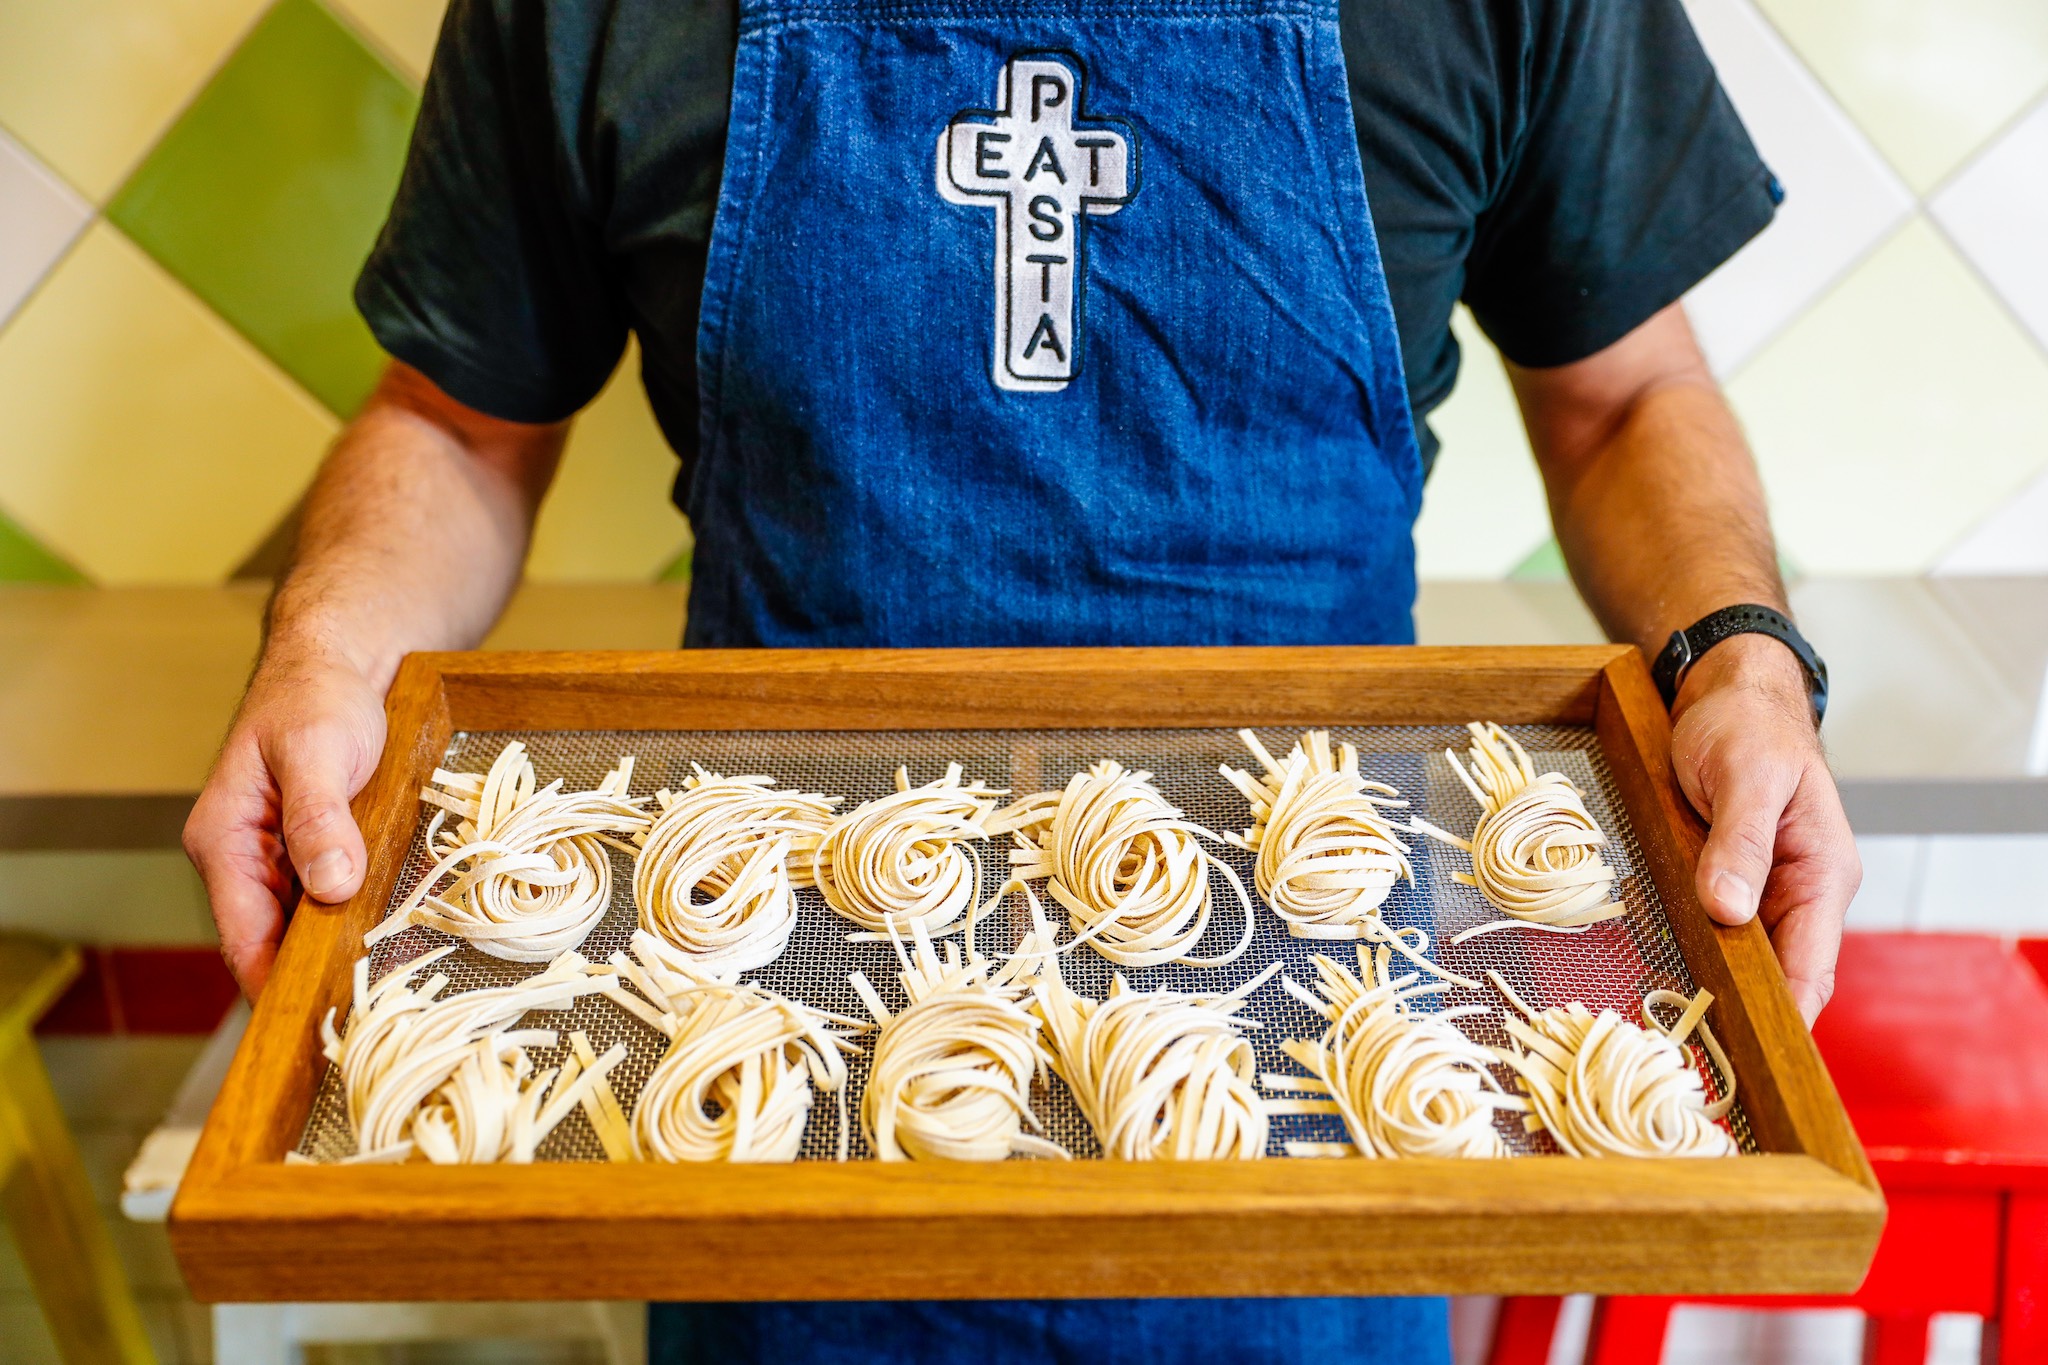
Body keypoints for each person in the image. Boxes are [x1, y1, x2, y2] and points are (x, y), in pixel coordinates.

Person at [183, 0, 1861, 1359]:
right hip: (780, 1019)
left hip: (1319, 1032)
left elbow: (1628, 395)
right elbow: (464, 425)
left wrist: (1739, 656)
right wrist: (325, 652)